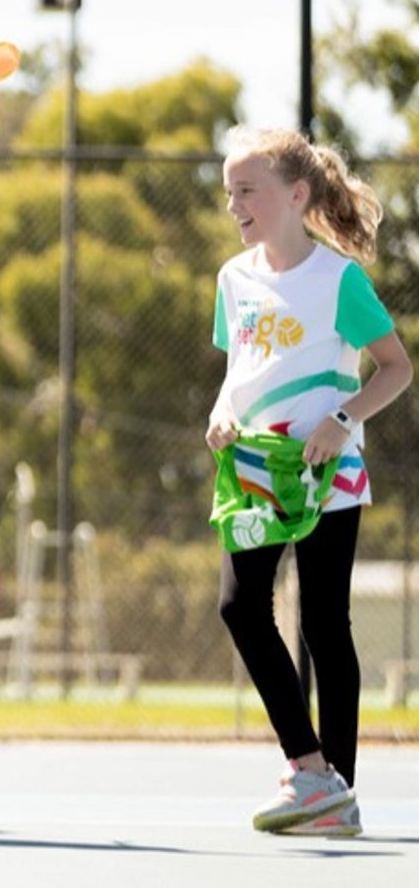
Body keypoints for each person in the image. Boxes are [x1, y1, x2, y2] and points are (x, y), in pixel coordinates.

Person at [207, 127, 410, 837]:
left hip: (327, 474)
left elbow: (396, 367)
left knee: (325, 624)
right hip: (257, 474)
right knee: (240, 605)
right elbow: (238, 374)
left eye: (248, 190)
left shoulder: (339, 280)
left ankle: (336, 793)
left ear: (296, 195)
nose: (235, 204)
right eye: (229, 191)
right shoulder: (234, 280)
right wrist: (221, 415)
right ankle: (311, 769)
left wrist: (342, 418)